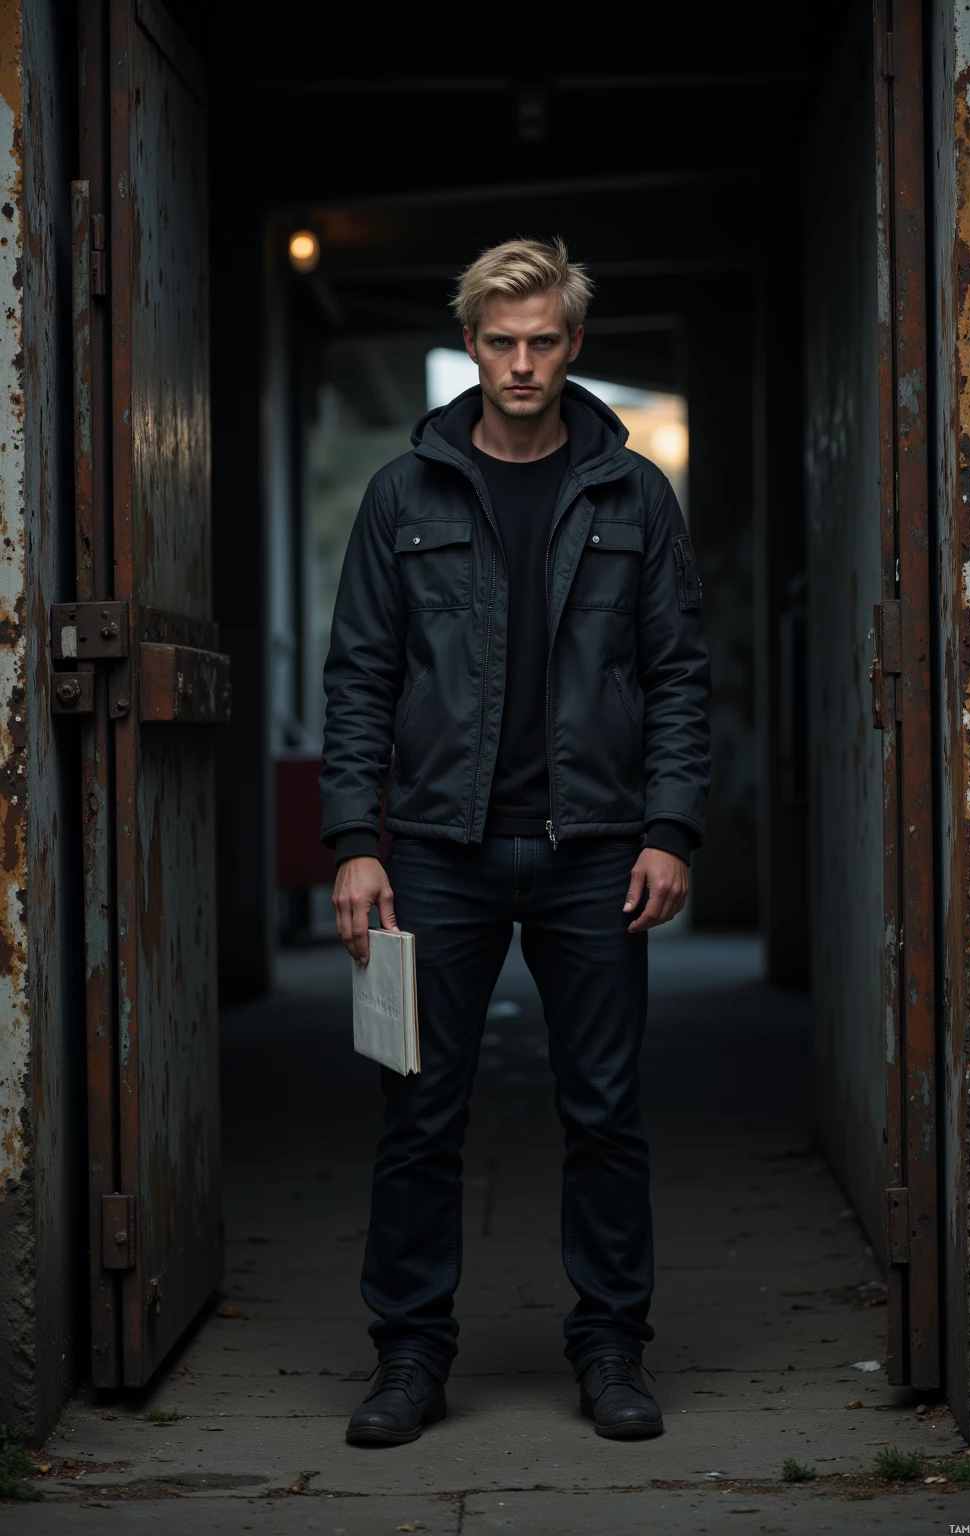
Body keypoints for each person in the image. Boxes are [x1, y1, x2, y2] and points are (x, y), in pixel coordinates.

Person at [321, 237, 710, 1446]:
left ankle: (609, 1351)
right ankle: (409, 1359)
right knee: (419, 1111)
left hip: (597, 849)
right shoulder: (405, 493)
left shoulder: (634, 495)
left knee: (602, 1111)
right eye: (500, 342)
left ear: (574, 343)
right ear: (472, 344)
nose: (523, 364)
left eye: (544, 341)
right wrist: (354, 838)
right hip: (438, 849)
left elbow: (679, 677)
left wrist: (669, 829)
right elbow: (360, 681)